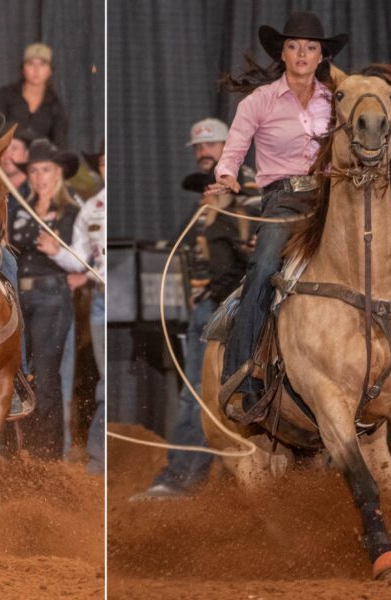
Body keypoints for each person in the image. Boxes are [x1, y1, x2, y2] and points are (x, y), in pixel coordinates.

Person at [212, 12, 391, 410]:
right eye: (293, 46)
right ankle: (243, 370)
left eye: (310, 47)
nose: (302, 54)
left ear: (321, 55)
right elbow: (234, 149)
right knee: (262, 266)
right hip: (284, 199)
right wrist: (226, 175)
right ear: (283, 53)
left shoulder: (338, 99)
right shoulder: (260, 101)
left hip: (336, 196)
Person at [131, 120, 252, 500]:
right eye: (198, 148)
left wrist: (215, 291)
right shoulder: (211, 203)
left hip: (225, 308)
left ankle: (183, 476)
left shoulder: (244, 195)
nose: (203, 152)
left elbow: (246, 255)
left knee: (200, 393)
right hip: (210, 307)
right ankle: (194, 475)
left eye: (210, 145)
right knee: (204, 392)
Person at [8, 139, 80, 457]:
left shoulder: (73, 209)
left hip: (51, 294)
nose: (39, 177)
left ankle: (46, 455)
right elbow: (11, 245)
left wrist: (58, 250)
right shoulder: (19, 208)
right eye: (34, 170)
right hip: (18, 295)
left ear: (59, 172)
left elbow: (81, 253)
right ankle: (18, 450)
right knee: (17, 372)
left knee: (45, 372)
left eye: (46, 170)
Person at [41, 148, 105, 473]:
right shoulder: (92, 208)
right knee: (101, 382)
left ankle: (100, 460)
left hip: (112, 293)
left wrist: (88, 273)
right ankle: (96, 462)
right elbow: (81, 257)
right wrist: (58, 252)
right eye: (105, 163)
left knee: (104, 381)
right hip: (101, 299)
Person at [0, 43, 68, 147]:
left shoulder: (55, 105)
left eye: (42, 64)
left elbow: (59, 144)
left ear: (50, 71)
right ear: (23, 69)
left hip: (37, 159)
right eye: (30, 64)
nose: (36, 69)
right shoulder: (5, 95)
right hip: (5, 154)